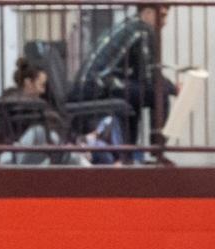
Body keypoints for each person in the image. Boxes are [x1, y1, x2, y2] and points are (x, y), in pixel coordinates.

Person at [68, 4, 175, 157]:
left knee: (137, 94)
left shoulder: (128, 25)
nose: (165, 22)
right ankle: (157, 149)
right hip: (99, 85)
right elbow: (149, 77)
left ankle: (128, 153)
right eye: (162, 16)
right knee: (160, 94)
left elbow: (142, 75)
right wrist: (173, 88)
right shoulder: (143, 30)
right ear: (148, 12)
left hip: (88, 86)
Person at [0, 58, 65, 164]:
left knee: (71, 156)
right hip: (13, 156)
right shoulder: (19, 105)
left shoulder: (34, 104)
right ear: (28, 83)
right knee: (42, 133)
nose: (43, 91)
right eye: (41, 85)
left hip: (30, 156)